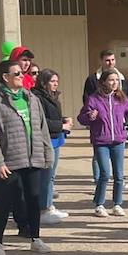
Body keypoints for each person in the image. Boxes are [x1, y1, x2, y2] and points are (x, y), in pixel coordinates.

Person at [0, 58, 53, 255]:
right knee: (3, 202)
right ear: (5, 78)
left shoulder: (31, 99)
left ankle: (35, 238)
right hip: (9, 161)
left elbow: (42, 129)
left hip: (33, 159)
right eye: (17, 74)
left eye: (23, 73)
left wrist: (47, 154)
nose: (22, 76)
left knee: (33, 199)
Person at [79, 69, 128, 218]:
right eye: (111, 80)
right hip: (101, 141)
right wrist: (90, 116)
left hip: (118, 140)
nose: (115, 83)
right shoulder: (94, 99)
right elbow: (81, 118)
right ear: (103, 82)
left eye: (117, 80)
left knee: (119, 175)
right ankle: (99, 204)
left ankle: (117, 204)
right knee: (105, 174)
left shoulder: (120, 98)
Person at [33, 69, 71, 224]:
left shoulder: (52, 96)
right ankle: (43, 208)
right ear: (44, 82)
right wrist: (62, 125)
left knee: (51, 176)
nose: (55, 84)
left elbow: (52, 116)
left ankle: (49, 205)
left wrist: (63, 119)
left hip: (55, 139)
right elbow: (42, 121)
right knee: (46, 176)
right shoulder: (37, 97)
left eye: (57, 81)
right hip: (46, 140)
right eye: (52, 81)